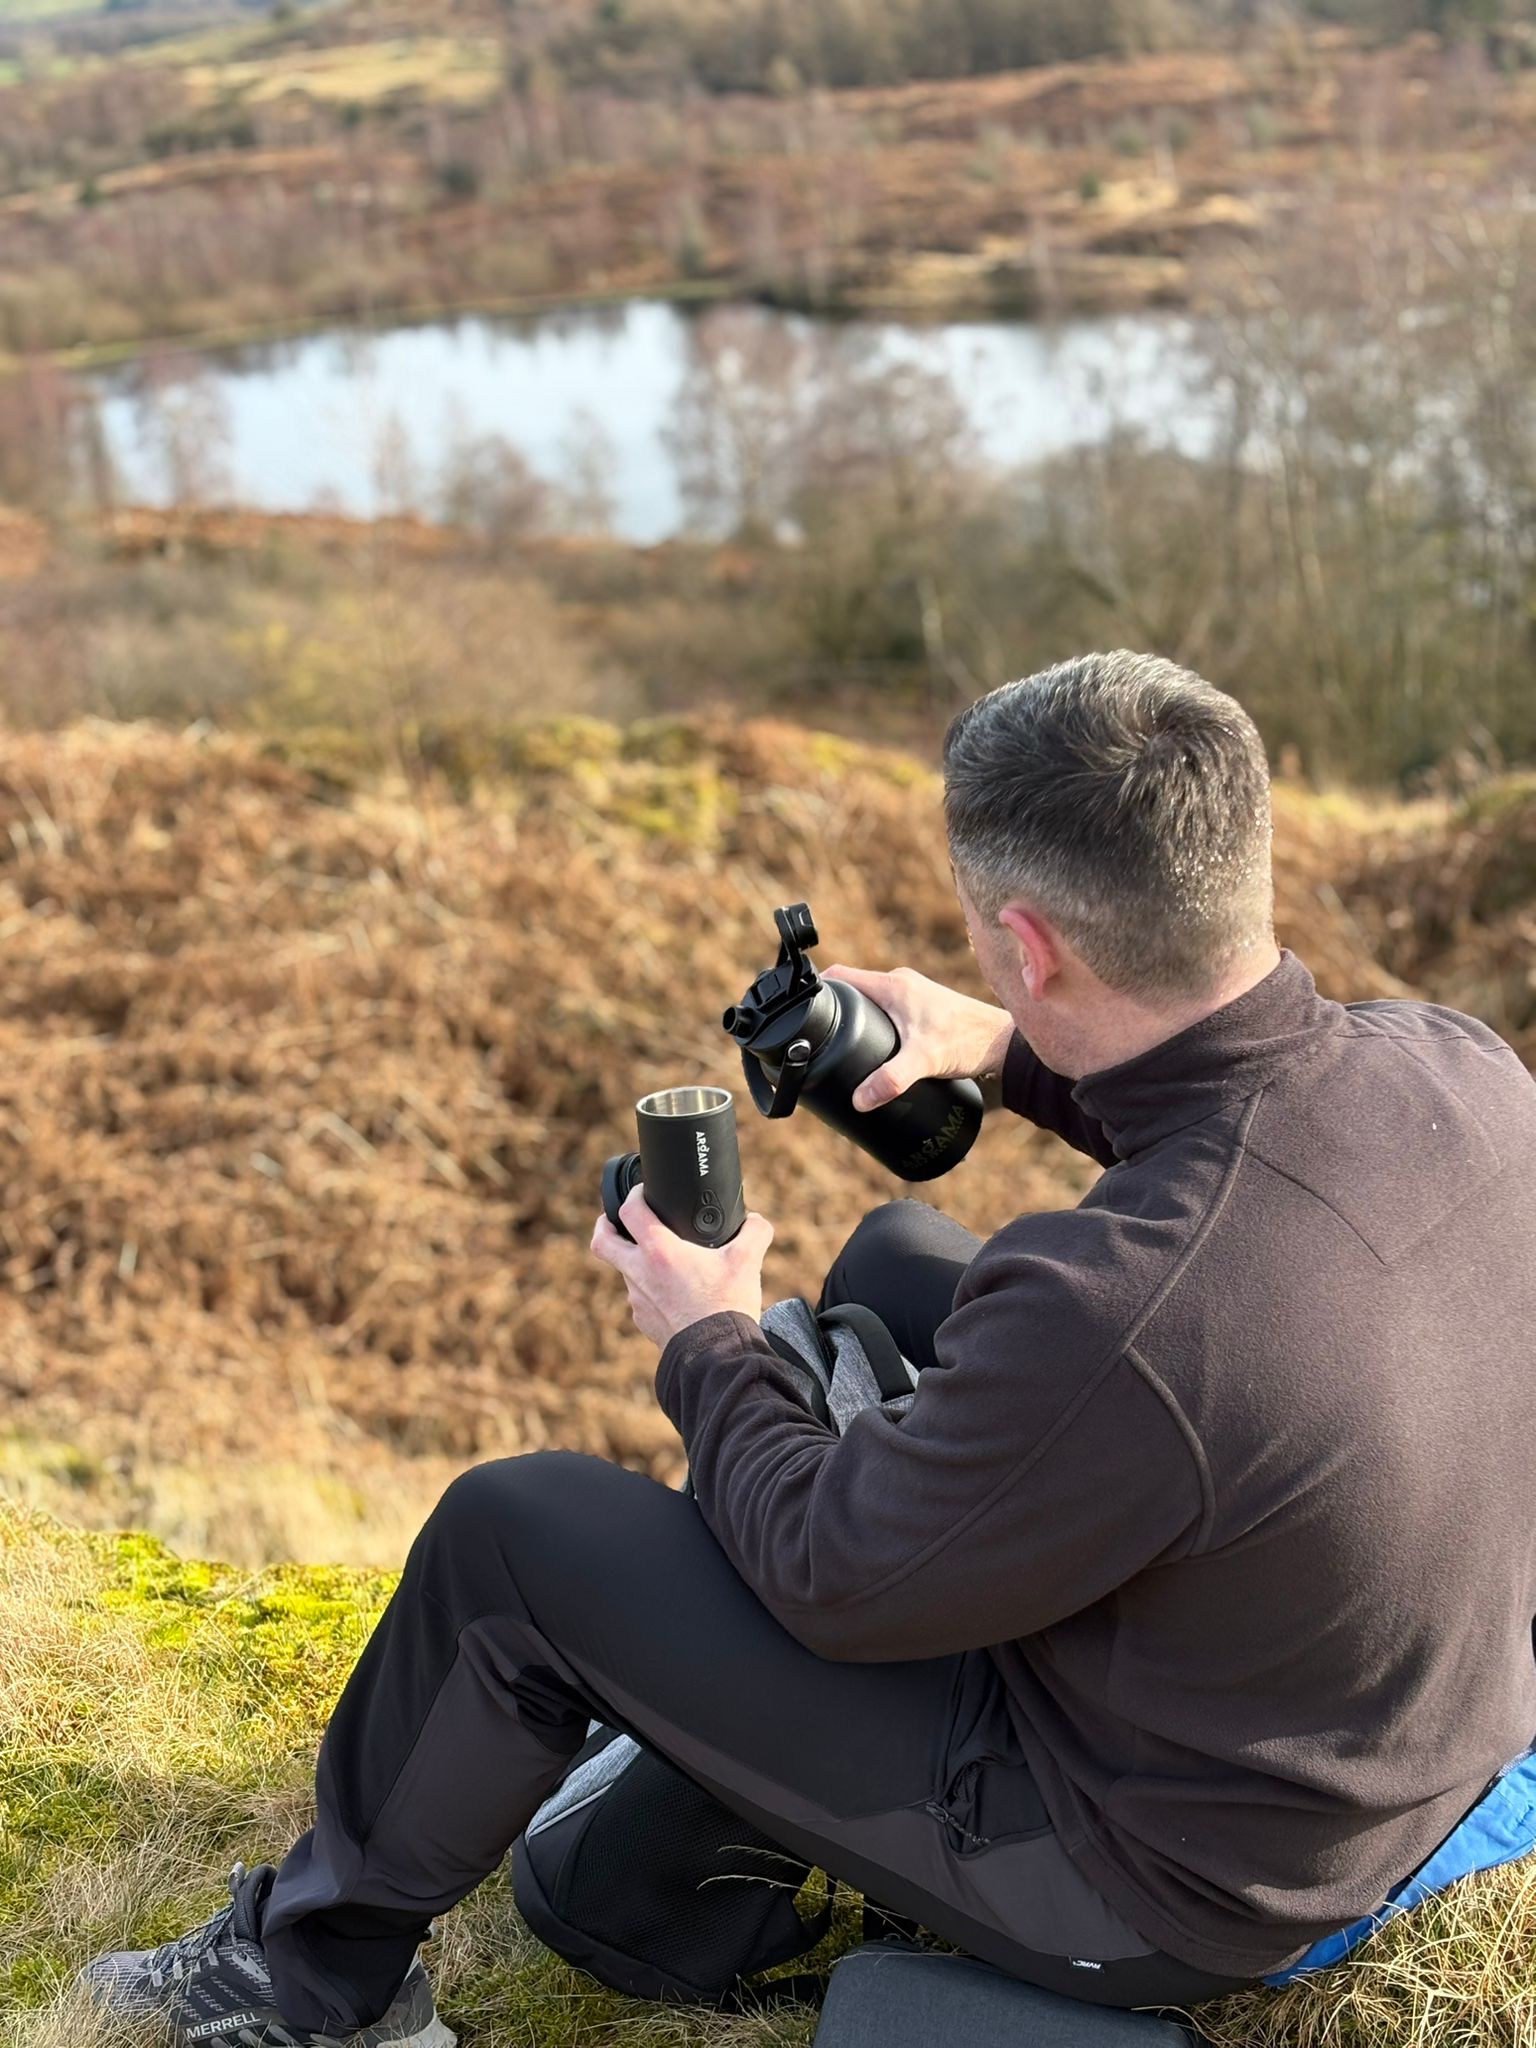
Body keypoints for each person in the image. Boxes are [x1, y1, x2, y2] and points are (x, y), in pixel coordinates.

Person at [84, 653, 1536, 2048]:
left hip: (1174, 1880)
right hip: (1392, 1738)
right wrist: (1006, 1049)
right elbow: (1235, 1149)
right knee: (902, 1264)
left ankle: (307, 1985)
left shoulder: (1124, 1307)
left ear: (1030, 942)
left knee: (514, 1535)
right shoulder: (1451, 1066)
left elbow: (831, 1579)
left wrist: (708, 1335)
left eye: (988, 940)